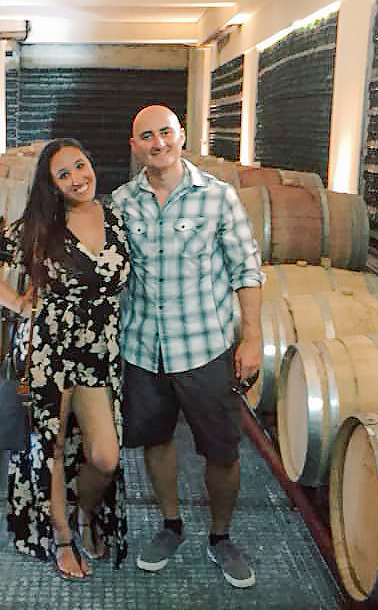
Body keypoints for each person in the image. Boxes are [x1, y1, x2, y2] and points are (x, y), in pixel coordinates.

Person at [111, 104, 264, 589]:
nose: (158, 144)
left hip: (204, 346)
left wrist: (253, 337)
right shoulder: (120, 202)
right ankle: (171, 524)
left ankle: (221, 536)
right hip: (142, 347)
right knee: (155, 441)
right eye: (146, 137)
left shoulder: (218, 198)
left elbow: (246, 268)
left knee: (221, 449)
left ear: (182, 137)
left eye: (166, 133)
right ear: (134, 145)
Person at [0, 138, 131, 580]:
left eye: (81, 165)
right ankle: (61, 537)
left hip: (98, 352)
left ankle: (86, 512)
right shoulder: (38, 226)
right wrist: (18, 303)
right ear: (52, 185)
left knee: (105, 456)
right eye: (65, 174)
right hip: (46, 351)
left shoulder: (116, 217)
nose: (78, 178)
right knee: (51, 449)